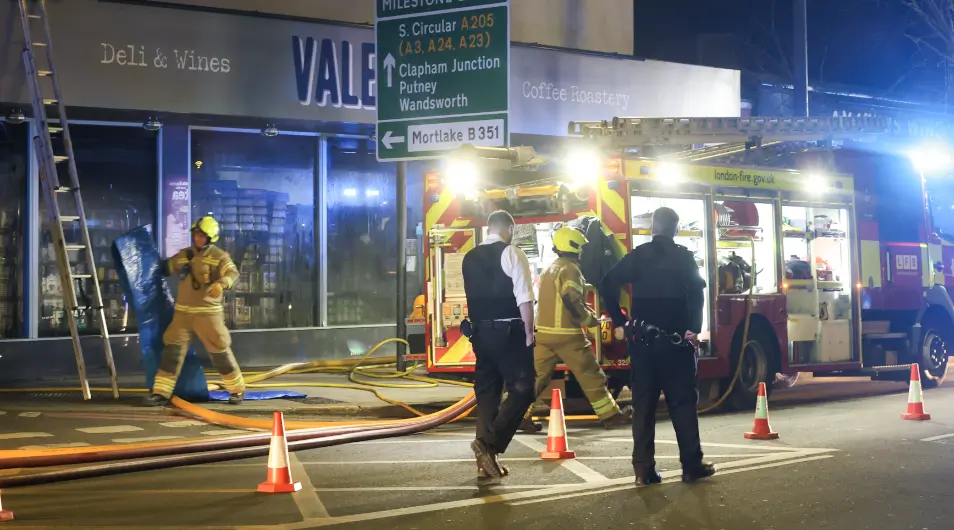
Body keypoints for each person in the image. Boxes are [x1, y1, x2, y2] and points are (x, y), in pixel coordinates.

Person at [599, 207, 715, 486]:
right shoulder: (683, 257)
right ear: (675, 229)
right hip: (676, 345)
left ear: (653, 227)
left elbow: (606, 284)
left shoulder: (638, 257)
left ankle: (643, 471)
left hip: (642, 344)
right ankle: (691, 466)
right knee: (683, 405)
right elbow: (697, 293)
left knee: (643, 407)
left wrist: (620, 320)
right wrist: (694, 329)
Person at [524, 227, 631, 430]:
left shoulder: (550, 268)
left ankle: (518, 415)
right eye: (581, 246)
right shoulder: (571, 269)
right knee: (591, 374)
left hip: (543, 334)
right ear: (574, 247)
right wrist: (589, 319)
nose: (582, 251)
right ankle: (610, 415)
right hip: (567, 336)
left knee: (536, 377)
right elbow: (570, 297)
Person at [461, 210, 536, 480]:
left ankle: (485, 462)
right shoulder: (512, 253)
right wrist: (529, 332)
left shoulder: (468, 257)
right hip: (509, 332)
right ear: (510, 229)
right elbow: (524, 298)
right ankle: (489, 445)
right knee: (523, 389)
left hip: (480, 333)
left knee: (488, 393)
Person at [144, 216, 246, 406]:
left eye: (202, 236)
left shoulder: (219, 256)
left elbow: (233, 273)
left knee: (219, 351)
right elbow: (165, 268)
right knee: (172, 352)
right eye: (196, 235)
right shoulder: (184, 254)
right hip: (183, 314)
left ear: (210, 238)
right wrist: (147, 260)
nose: (198, 239)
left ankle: (237, 390)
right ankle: (161, 393)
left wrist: (222, 284)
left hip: (208, 314)